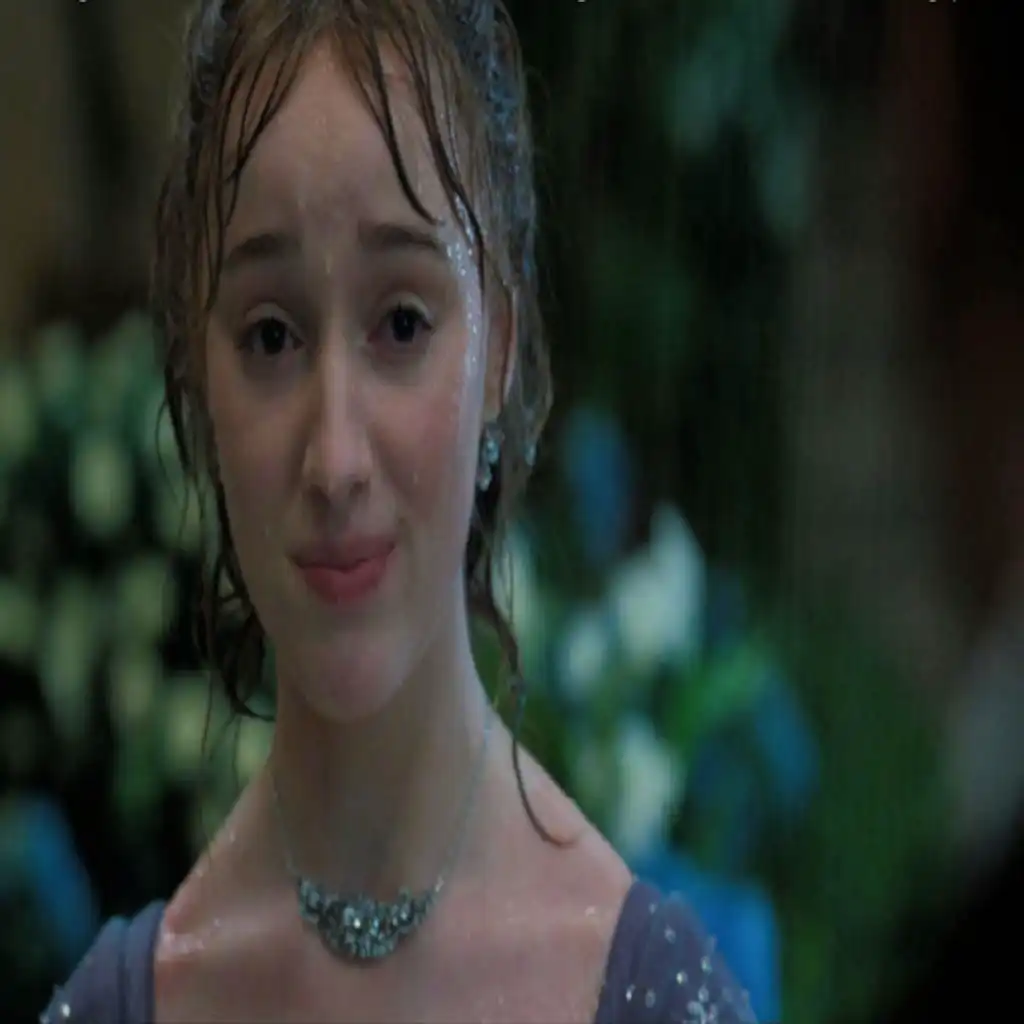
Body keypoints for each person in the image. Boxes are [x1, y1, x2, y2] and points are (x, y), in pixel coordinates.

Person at [42, 1, 757, 1020]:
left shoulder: (646, 993)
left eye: (403, 322)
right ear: (198, 369)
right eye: (271, 335)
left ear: (499, 343)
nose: (334, 458)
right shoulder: (129, 1003)